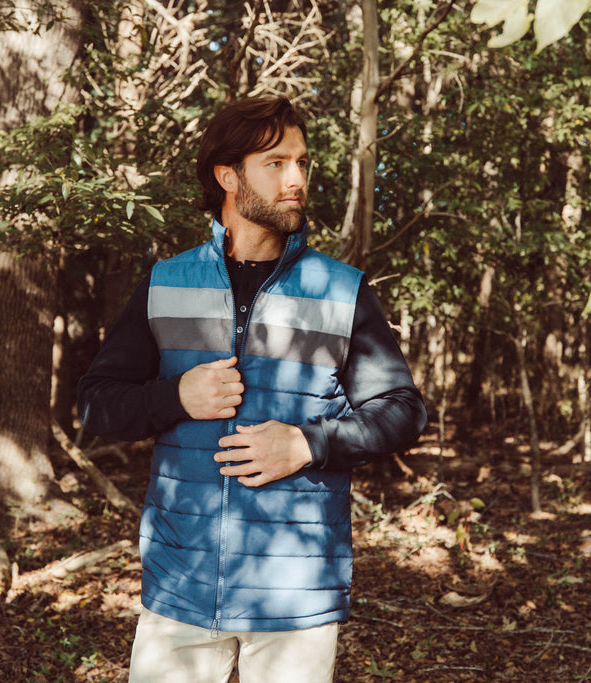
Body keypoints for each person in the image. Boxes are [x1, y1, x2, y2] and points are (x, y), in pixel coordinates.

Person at [77, 96, 426, 683]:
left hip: (294, 590)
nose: (296, 180)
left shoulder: (340, 291)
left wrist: (307, 444)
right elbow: (96, 401)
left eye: (303, 163)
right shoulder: (167, 283)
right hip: (180, 583)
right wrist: (174, 398)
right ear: (227, 175)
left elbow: (403, 413)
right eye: (276, 163)